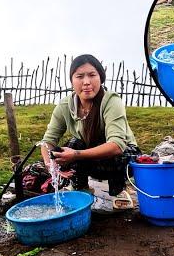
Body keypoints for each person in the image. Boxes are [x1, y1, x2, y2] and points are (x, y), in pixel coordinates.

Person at [39, 54, 140, 204]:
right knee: (71, 144)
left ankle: (119, 191)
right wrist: (50, 165)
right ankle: (81, 191)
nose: (86, 82)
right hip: (90, 156)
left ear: (101, 77)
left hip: (123, 158)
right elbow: (48, 141)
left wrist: (77, 155)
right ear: (72, 81)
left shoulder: (111, 101)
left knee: (117, 154)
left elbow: (117, 145)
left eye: (92, 75)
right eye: (79, 76)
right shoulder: (65, 105)